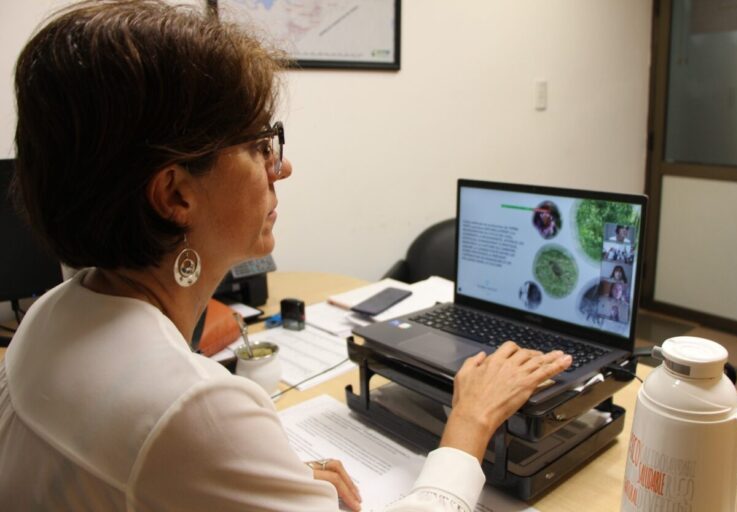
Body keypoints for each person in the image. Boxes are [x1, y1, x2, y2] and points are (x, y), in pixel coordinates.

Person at [0, 2, 571, 511]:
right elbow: (172, 439)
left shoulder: (49, 317)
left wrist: (261, 482)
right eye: (257, 145)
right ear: (176, 194)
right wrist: (468, 426)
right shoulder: (195, 409)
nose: (281, 166)